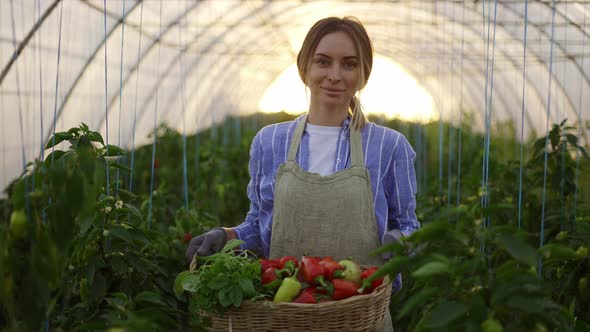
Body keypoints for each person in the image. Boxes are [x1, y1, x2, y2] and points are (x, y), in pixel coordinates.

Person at [186, 16, 420, 331]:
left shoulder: (390, 146)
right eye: (323, 62)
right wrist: (227, 235)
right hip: (282, 315)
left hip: (360, 318)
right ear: (304, 68)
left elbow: (408, 226)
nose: (334, 76)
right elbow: (260, 226)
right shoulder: (270, 142)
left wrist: (399, 242)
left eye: (349, 64)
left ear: (363, 75)